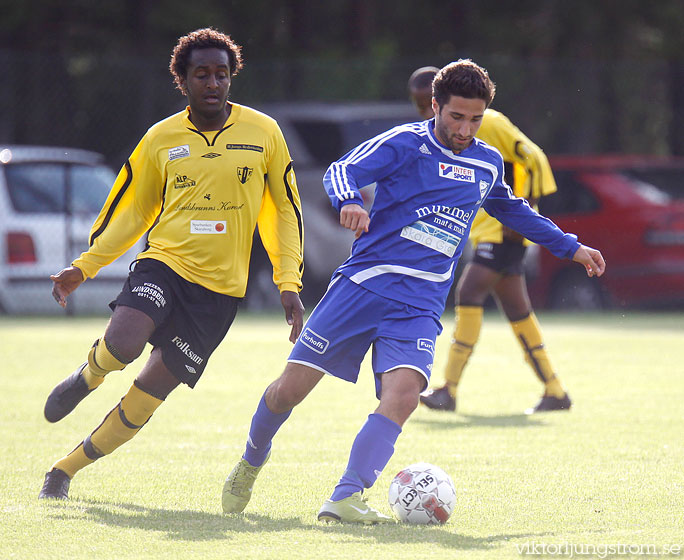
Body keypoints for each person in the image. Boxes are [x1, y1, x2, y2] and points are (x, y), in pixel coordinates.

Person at [221, 59, 605, 523]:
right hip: (364, 286)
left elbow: (514, 210)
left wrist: (570, 246)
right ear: (435, 107)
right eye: (456, 117)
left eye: (475, 119)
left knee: (404, 397)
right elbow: (341, 171)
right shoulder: (406, 143)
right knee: (288, 392)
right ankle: (251, 459)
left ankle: (344, 497)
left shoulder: (486, 162)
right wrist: (349, 203)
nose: (465, 129)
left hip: (420, 303)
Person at [38, 28, 305, 500]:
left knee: (146, 396)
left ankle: (64, 469)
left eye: (222, 74)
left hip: (220, 293)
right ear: (181, 80)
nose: (213, 83)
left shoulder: (263, 132)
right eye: (201, 73)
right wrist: (85, 266)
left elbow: (283, 209)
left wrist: (288, 281)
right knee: (122, 344)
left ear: (231, 78)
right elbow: (131, 210)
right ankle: (89, 376)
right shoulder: (161, 139)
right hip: (164, 264)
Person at [409, 66, 570, 415]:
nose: (424, 111)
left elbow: (534, 158)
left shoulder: (490, 122)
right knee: (517, 310)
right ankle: (555, 391)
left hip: (503, 231)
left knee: (468, 292)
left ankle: (448, 389)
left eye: (427, 103)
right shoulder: (437, 136)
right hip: (486, 230)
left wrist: (529, 206)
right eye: (420, 105)